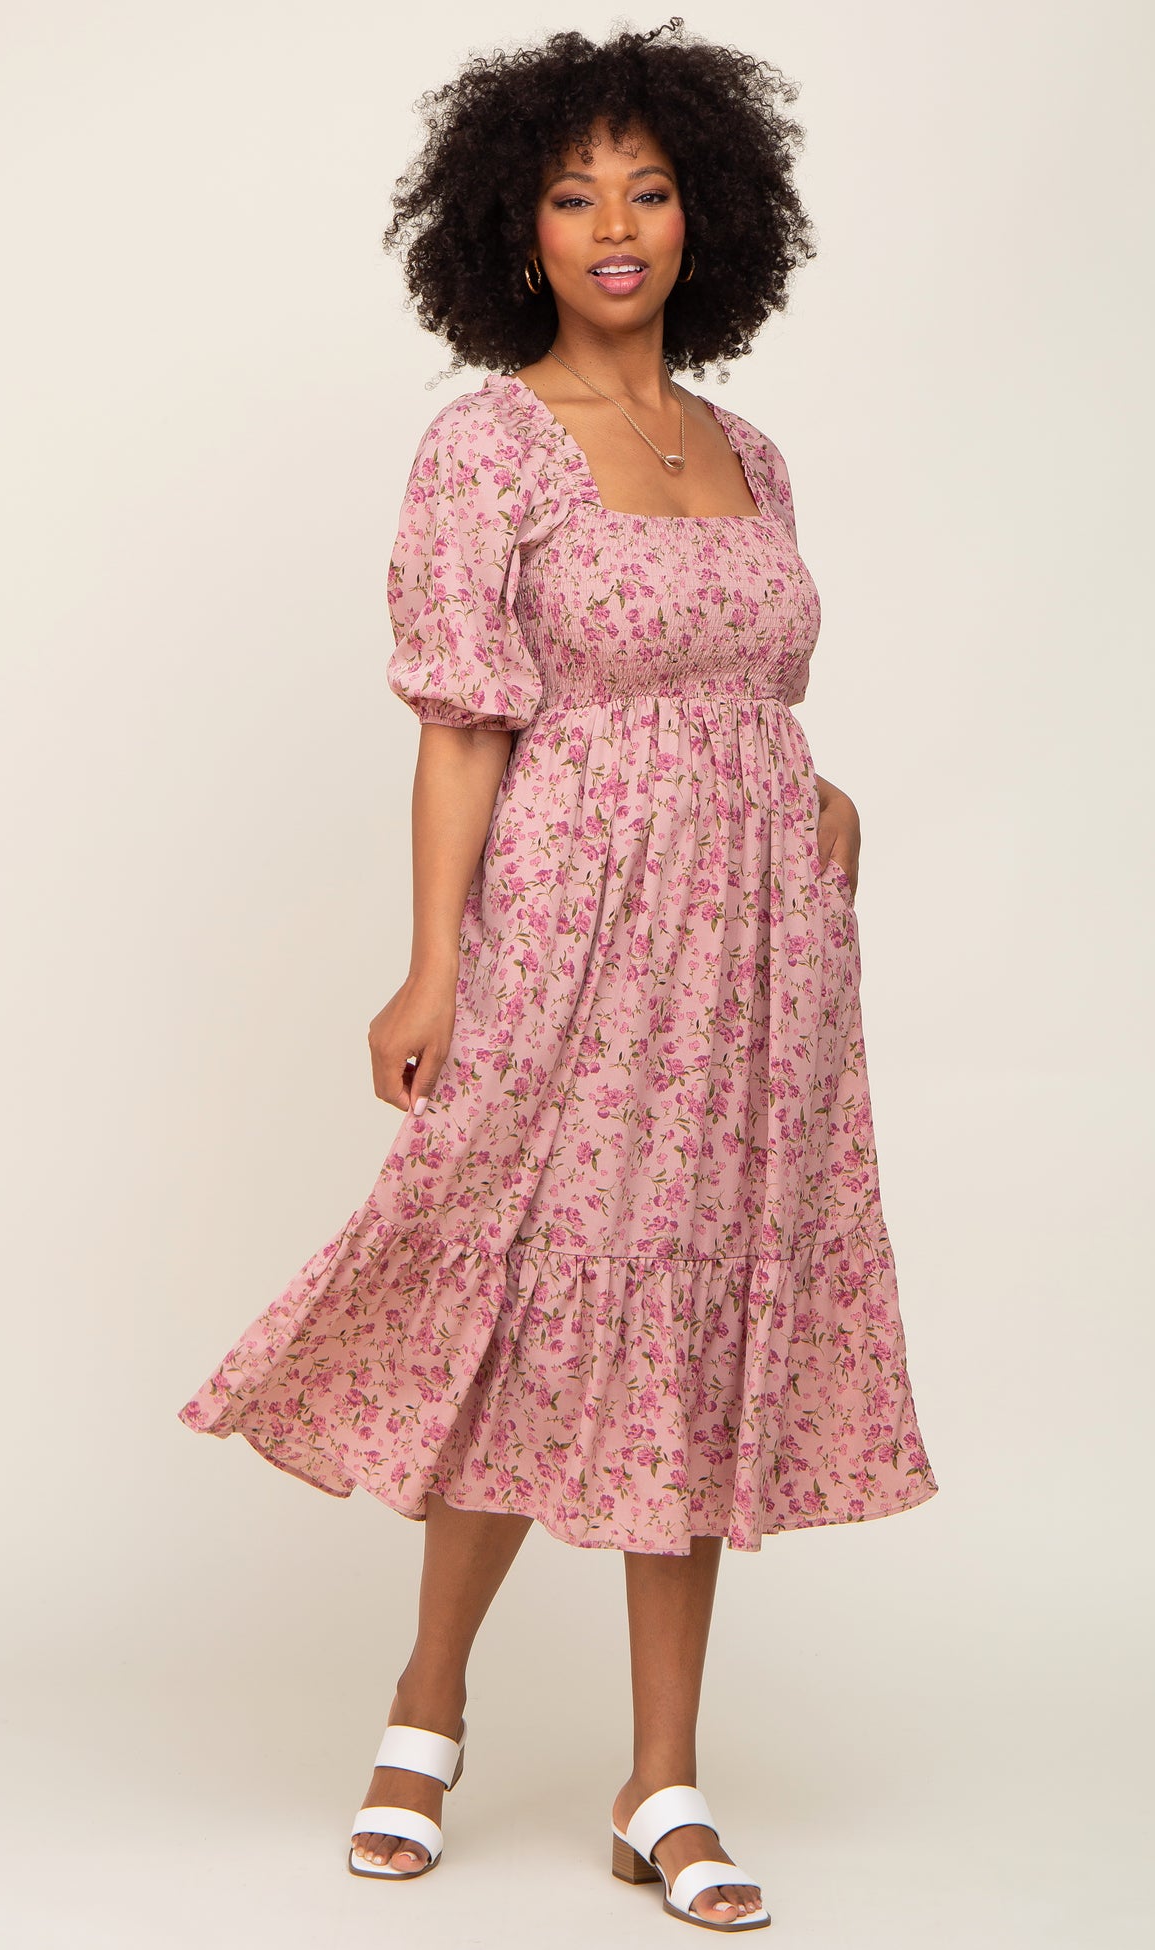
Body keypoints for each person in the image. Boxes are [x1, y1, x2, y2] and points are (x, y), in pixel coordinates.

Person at [177, 21, 938, 1932]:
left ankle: (661, 1775)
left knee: (698, 1316)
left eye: (650, 190)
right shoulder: (490, 444)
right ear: (514, 229)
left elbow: (746, 687)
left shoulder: (751, 453)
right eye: (576, 195)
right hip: (574, 926)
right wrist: (430, 966)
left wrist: (820, 796)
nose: (616, 226)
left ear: (705, 216)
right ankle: (427, 1704)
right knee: (523, 1301)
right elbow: (465, 727)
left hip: (755, 949)